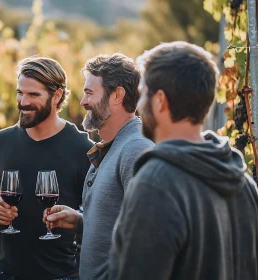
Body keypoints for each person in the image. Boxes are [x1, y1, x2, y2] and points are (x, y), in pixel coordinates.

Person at [107, 41, 258, 279]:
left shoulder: (155, 185)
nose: (138, 104)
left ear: (160, 100)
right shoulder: (245, 183)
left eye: (143, 93)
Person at [0, 56, 93, 280]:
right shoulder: (3, 141)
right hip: (4, 274)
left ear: (56, 96)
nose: (23, 101)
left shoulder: (83, 149)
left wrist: (77, 219)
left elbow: (99, 217)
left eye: (33, 95)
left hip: (63, 276)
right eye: (20, 92)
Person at [44, 53, 153, 279]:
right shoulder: (111, 147)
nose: (83, 102)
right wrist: (82, 222)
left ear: (117, 95)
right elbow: (118, 223)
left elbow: (148, 239)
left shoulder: (135, 149)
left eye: (89, 93)